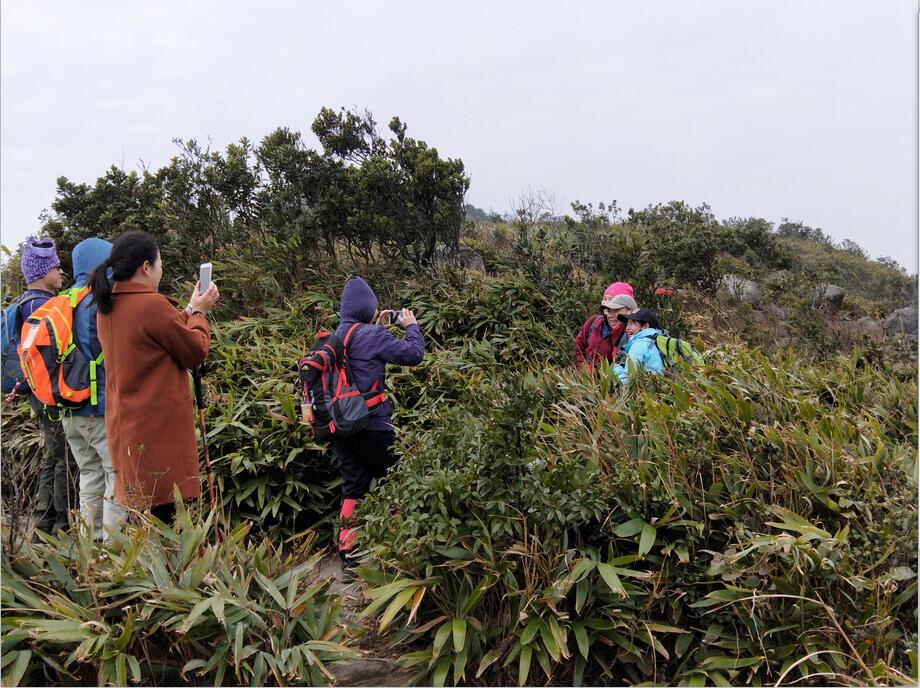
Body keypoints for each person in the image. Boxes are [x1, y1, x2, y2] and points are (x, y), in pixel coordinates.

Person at [91, 231, 219, 524]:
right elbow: (195, 350)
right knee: (168, 522)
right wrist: (199, 314)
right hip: (158, 434)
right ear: (146, 267)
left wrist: (188, 310)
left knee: (143, 521)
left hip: (127, 430)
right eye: (160, 264)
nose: (161, 271)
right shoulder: (151, 304)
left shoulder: (108, 306)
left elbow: (157, 334)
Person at [332, 276, 425, 567]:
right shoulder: (372, 336)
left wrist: (378, 330)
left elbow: (357, 356)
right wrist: (410, 326)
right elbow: (413, 355)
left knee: (353, 486)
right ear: (368, 308)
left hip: (341, 427)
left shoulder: (334, 337)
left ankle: (348, 551)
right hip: (373, 425)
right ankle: (397, 544)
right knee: (396, 477)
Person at [62, 237, 127, 540]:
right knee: (116, 476)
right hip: (99, 407)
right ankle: (114, 554)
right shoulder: (100, 301)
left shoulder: (63, 301)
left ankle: (90, 546)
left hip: (68, 408)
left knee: (89, 476)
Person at [14, 236, 78, 534]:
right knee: (64, 455)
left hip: (35, 391)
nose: (61, 272)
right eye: (56, 267)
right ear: (42, 272)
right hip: (50, 393)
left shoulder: (23, 304)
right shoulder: (44, 307)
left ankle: (43, 521)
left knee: (53, 454)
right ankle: (62, 525)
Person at [574, 281, 638, 371]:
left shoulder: (630, 331)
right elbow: (578, 347)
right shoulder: (594, 321)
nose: (605, 302)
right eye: (605, 298)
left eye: (611, 299)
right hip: (587, 380)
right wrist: (583, 367)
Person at [613, 308, 666, 383]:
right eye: (627, 324)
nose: (627, 328)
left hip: (646, 390)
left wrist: (615, 369)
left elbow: (629, 379)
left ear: (645, 326)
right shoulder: (658, 340)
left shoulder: (639, 345)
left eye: (631, 324)